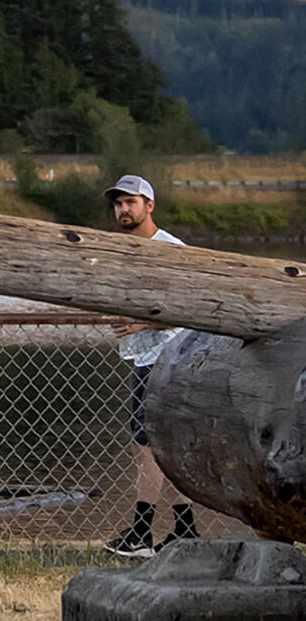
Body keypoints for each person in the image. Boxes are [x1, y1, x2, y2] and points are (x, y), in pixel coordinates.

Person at [102, 174, 199, 558]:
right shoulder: (123, 251)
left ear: (149, 206)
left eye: (131, 202)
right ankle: (185, 530)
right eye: (119, 204)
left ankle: (142, 534)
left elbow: (190, 308)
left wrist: (143, 322)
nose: (124, 210)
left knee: (146, 448)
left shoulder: (170, 249)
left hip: (167, 357)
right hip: (141, 356)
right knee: (161, 448)